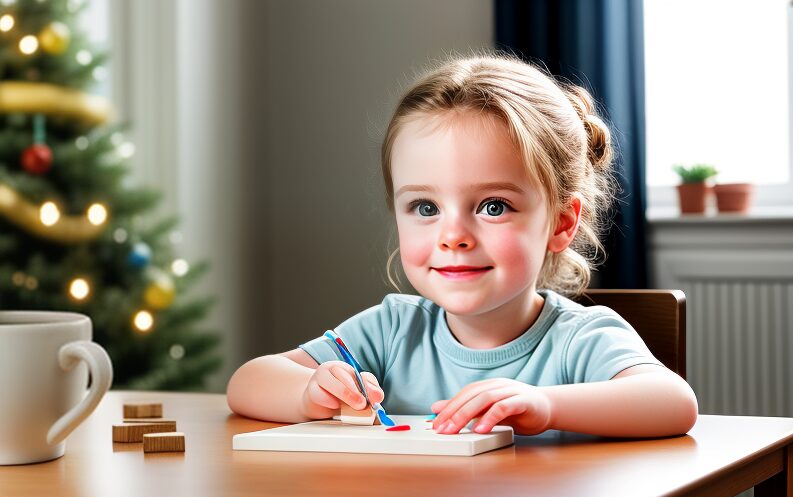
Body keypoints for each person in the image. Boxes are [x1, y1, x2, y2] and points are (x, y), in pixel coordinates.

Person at [227, 52, 698, 437]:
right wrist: (310, 390)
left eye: (493, 206)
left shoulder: (580, 338)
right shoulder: (392, 330)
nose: (453, 237)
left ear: (561, 221)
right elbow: (248, 383)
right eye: (425, 208)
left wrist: (545, 405)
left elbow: (673, 403)